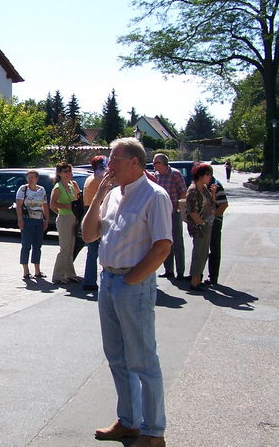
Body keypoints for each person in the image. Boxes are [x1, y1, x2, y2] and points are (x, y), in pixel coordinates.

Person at [82, 137, 171, 447]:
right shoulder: (112, 195)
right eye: (109, 158)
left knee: (143, 360)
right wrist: (99, 196)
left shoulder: (154, 195)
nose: (109, 164)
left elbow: (162, 246)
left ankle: (154, 431)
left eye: (115, 159)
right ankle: (129, 422)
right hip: (108, 282)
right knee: (117, 357)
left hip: (134, 284)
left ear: (135, 162)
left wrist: (132, 280)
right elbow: (89, 234)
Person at [151, 154, 188, 280]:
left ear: (164, 163)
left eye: (156, 163)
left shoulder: (175, 174)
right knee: (165, 241)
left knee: (177, 242)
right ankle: (168, 270)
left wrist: (179, 207)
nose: (154, 165)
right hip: (162, 213)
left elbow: (183, 191)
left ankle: (181, 272)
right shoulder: (156, 175)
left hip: (173, 212)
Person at [185, 163, 217, 292]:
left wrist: (213, 193)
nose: (210, 177)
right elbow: (192, 212)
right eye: (207, 174)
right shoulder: (193, 190)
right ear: (200, 175)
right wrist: (202, 224)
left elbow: (212, 204)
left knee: (203, 253)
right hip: (199, 226)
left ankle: (197, 279)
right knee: (199, 253)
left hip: (206, 223)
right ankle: (195, 281)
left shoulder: (204, 188)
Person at [50, 162, 81, 285]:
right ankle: (57, 275)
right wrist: (65, 208)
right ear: (59, 173)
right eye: (65, 171)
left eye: (69, 171)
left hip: (74, 217)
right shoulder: (58, 187)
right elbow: (52, 204)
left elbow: (78, 199)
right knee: (64, 248)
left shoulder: (73, 184)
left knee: (71, 247)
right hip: (64, 218)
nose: (68, 173)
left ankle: (69, 274)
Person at [15, 169, 49, 279]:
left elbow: (44, 205)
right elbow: (19, 205)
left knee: (37, 245)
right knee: (26, 245)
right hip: (27, 220)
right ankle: (25, 271)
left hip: (38, 220)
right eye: (28, 177)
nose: (30, 179)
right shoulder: (23, 189)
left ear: (37, 178)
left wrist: (46, 219)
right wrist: (20, 219)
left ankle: (37, 270)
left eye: (32, 177)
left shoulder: (41, 190)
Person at [82, 155, 106, 291]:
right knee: (102, 248)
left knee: (92, 250)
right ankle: (102, 278)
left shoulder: (90, 178)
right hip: (96, 213)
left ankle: (89, 280)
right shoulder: (98, 180)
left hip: (89, 212)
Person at [206, 177, 228, 286]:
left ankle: (213, 277)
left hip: (215, 221)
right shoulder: (206, 184)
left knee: (214, 249)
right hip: (207, 220)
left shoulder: (216, 185)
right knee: (206, 249)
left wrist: (213, 217)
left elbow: (224, 204)